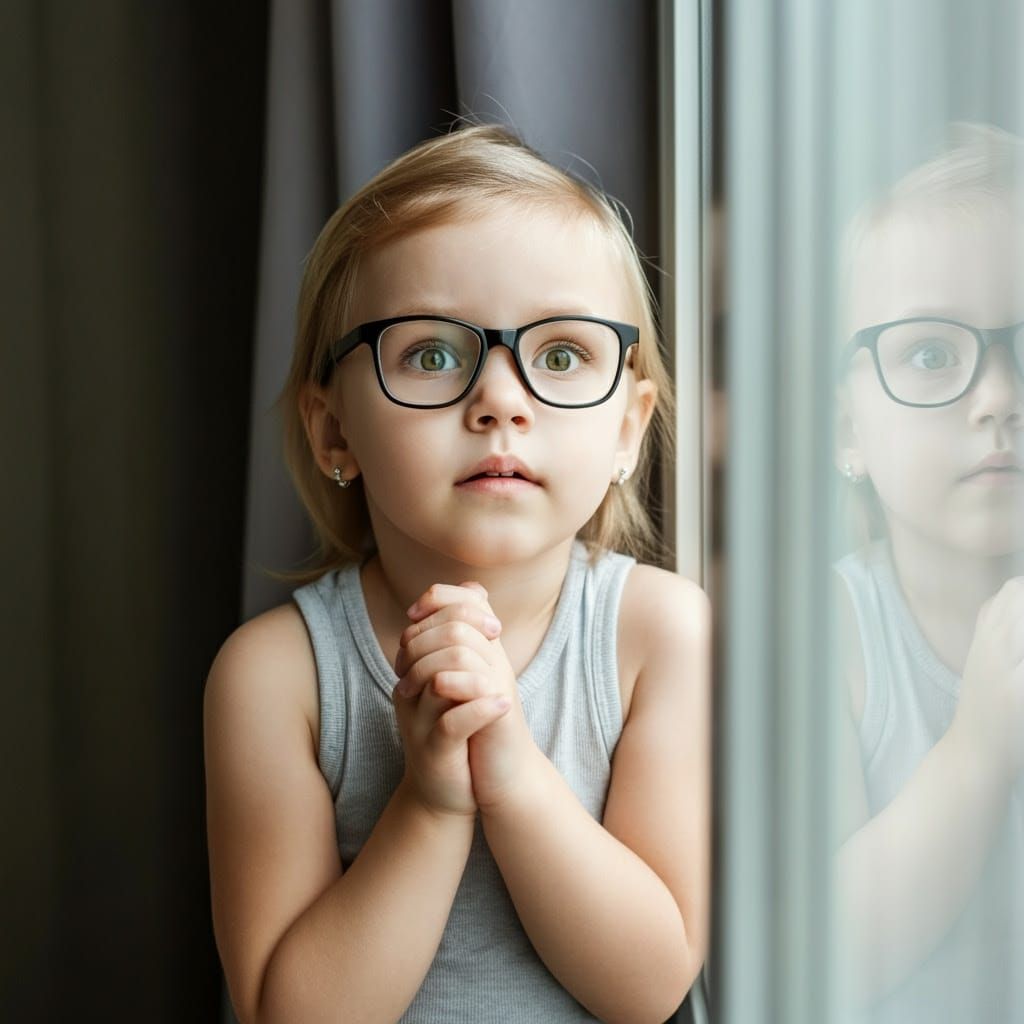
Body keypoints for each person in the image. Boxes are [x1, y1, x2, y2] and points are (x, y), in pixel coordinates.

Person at [203, 124, 710, 1024]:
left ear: (627, 428)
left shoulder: (660, 633)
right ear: (334, 432)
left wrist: (507, 772)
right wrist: (431, 801)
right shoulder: (275, 676)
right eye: (433, 354)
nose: (502, 401)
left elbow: (648, 989)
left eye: (561, 356)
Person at [833, 123, 1024, 1022]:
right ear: (847, 431)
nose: (998, 396)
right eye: (932, 354)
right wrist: (981, 743)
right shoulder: (829, 634)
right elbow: (818, 957)